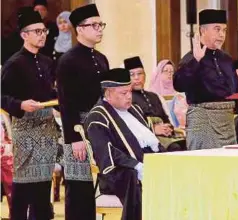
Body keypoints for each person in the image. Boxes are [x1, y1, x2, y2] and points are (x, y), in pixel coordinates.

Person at [85, 68, 164, 220]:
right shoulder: (98, 117)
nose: (129, 97)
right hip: (120, 173)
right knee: (133, 176)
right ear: (108, 93)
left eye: (130, 92)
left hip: (147, 163)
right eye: (123, 93)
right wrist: (136, 165)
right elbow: (107, 153)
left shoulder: (135, 110)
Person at [1, 10, 58, 220]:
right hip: (25, 130)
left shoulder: (46, 61)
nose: (42, 35)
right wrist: (20, 104)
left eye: (44, 30)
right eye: (37, 31)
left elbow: (50, 93)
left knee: (43, 186)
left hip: (47, 129)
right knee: (24, 186)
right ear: (24, 35)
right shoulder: (14, 63)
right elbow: (1, 96)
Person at [56, 4, 109, 220]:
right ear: (80, 29)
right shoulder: (68, 60)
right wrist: (75, 138)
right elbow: (65, 103)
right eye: (94, 25)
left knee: (100, 185)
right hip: (78, 131)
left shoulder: (102, 58)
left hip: (100, 128)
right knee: (78, 188)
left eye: (101, 24)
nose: (99, 29)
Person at [174, 9, 238, 150]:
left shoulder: (226, 58)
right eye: (217, 29)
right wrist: (196, 61)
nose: (222, 34)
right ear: (202, 31)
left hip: (227, 122)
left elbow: (234, 91)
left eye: (224, 30)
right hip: (203, 121)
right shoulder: (191, 58)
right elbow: (178, 85)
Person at [124, 56, 186, 151]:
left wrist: (168, 128)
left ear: (145, 75)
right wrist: (154, 129)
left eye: (140, 73)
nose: (137, 78)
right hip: (144, 139)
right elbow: (131, 124)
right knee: (174, 148)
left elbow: (165, 118)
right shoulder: (126, 98)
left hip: (165, 136)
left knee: (186, 144)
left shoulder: (154, 96)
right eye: (132, 75)